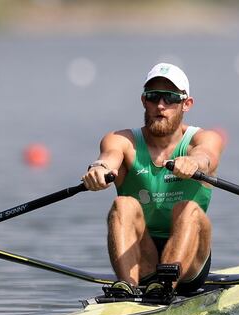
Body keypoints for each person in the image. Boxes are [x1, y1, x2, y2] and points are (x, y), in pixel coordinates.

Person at [82, 63, 224, 298]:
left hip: (189, 264)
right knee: (123, 205)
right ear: (143, 101)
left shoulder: (203, 139)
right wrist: (99, 169)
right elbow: (109, 157)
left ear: (186, 104)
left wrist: (194, 163)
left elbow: (207, 155)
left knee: (189, 209)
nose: (160, 105)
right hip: (142, 255)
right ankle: (126, 290)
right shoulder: (122, 140)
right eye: (153, 97)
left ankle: (166, 287)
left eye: (170, 98)